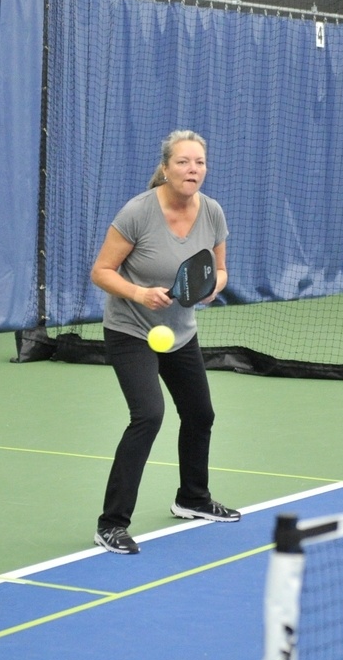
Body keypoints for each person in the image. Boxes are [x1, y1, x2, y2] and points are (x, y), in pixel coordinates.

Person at [90, 129, 240, 555]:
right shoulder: (137, 212)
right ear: (166, 167)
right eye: (183, 162)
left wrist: (214, 287)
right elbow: (101, 271)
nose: (193, 170)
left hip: (180, 332)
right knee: (148, 415)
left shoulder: (212, 212)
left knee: (200, 413)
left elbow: (221, 270)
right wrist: (140, 293)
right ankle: (111, 524)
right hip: (131, 330)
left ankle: (192, 498)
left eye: (199, 163)